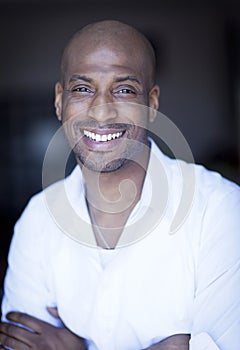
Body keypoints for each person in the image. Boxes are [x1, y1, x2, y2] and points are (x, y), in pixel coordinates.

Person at [0, 19, 240, 350]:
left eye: (124, 89)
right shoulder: (37, 220)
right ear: (59, 101)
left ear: (152, 104)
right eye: (82, 89)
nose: (101, 111)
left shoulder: (220, 209)